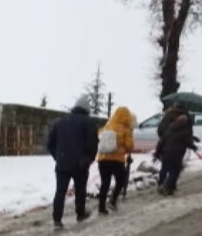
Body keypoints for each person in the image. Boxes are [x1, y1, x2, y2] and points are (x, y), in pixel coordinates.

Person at [47, 95, 98, 229]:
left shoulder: (60, 121)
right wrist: (88, 159)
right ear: (87, 109)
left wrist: (57, 157)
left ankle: (57, 219)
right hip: (80, 164)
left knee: (60, 191)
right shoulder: (89, 123)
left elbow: (50, 143)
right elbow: (93, 145)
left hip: (62, 163)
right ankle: (80, 214)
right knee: (80, 190)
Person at [95, 106, 136, 214]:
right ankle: (112, 201)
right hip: (117, 161)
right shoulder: (125, 130)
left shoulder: (106, 127)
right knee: (120, 181)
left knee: (105, 183)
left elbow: (99, 139)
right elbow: (129, 146)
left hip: (103, 159)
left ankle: (101, 207)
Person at [154, 113, 197, 196]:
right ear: (185, 123)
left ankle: (162, 185)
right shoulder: (184, 132)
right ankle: (167, 186)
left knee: (164, 169)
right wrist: (195, 147)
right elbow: (188, 142)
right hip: (176, 155)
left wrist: (157, 153)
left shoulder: (169, 129)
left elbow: (161, 142)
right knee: (175, 172)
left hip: (165, 153)